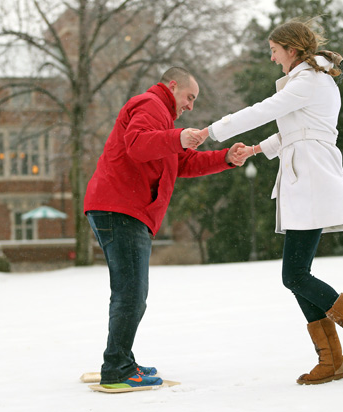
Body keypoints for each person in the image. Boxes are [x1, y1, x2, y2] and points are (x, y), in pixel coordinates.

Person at [198, 19, 343, 385]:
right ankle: (332, 359)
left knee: (295, 274)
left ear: (291, 49)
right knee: (296, 273)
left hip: (312, 180)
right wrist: (257, 148)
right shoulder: (310, 82)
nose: (272, 59)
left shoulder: (309, 81)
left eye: (274, 51)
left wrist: (210, 131)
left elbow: (264, 110)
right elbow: (295, 128)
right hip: (306, 178)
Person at [84, 67, 247, 389]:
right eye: (189, 97)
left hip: (121, 208)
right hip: (121, 208)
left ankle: (121, 360)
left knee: (129, 293)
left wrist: (225, 158)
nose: (190, 106)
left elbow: (183, 163)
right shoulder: (150, 104)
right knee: (131, 295)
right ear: (171, 86)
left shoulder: (162, 118)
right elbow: (137, 145)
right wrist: (177, 137)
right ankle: (117, 368)